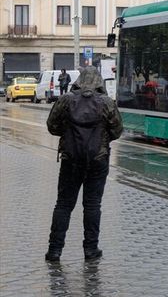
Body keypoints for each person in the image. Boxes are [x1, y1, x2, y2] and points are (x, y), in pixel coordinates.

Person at [45, 67, 123, 262]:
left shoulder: (65, 100)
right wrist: (101, 139)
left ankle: (54, 251)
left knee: (63, 204)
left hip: (70, 159)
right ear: (99, 82)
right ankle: (90, 249)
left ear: (79, 80)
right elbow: (117, 130)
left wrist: (68, 132)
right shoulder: (106, 103)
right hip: (98, 159)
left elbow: (51, 126)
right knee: (92, 204)